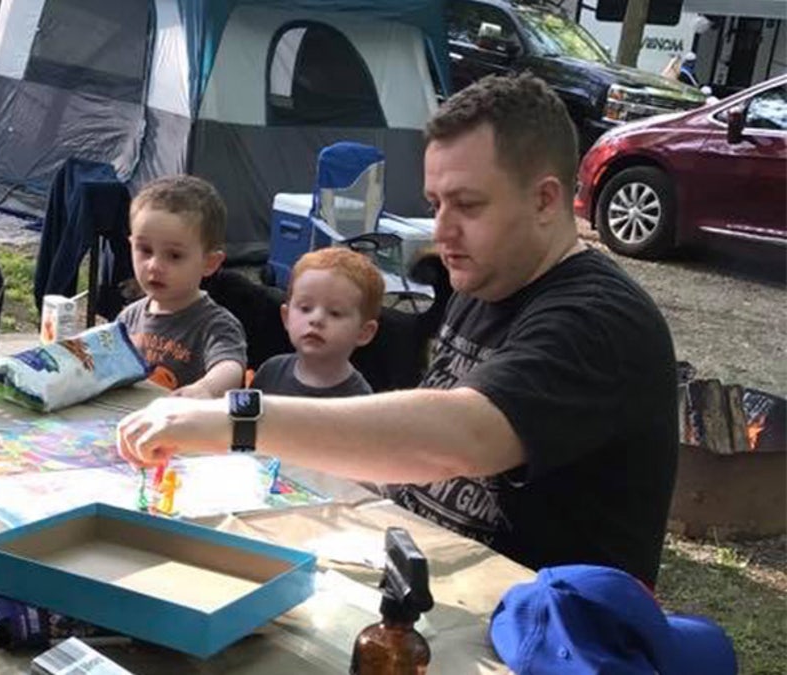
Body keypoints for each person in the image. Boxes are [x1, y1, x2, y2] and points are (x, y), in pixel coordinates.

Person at [117, 74, 678, 588]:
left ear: (545, 199)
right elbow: (407, 463)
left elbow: (460, 437)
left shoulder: (601, 320)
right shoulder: (485, 283)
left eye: (468, 205)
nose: (442, 229)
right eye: (436, 203)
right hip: (417, 578)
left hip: (540, 636)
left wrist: (233, 421)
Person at [117, 175, 247, 399]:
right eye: (145, 250)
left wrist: (205, 389)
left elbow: (230, 367)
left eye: (174, 255)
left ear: (209, 263)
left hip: (184, 427)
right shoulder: (128, 317)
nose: (154, 265)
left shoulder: (215, 324)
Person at [251, 248, 382, 397]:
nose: (316, 319)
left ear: (364, 332)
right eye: (305, 308)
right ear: (286, 317)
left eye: (335, 313)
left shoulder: (359, 400)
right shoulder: (271, 372)